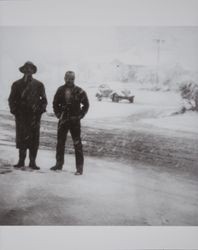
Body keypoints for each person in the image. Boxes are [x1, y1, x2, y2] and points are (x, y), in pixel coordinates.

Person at [8, 61, 47, 170]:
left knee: (34, 140)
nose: (29, 71)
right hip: (21, 117)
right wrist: (15, 111)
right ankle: (21, 161)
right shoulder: (16, 84)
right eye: (27, 69)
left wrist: (39, 111)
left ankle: (32, 162)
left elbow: (44, 101)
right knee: (22, 139)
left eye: (31, 69)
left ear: (33, 71)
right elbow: (11, 99)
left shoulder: (39, 85)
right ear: (23, 70)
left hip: (34, 117)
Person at [51, 71, 89, 175]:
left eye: (71, 78)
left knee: (77, 144)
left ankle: (79, 168)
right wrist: (59, 115)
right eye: (67, 78)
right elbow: (55, 104)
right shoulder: (60, 90)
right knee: (60, 143)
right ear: (64, 78)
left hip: (74, 122)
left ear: (74, 79)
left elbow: (86, 105)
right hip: (63, 120)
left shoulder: (79, 91)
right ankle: (59, 164)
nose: (69, 80)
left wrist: (79, 116)